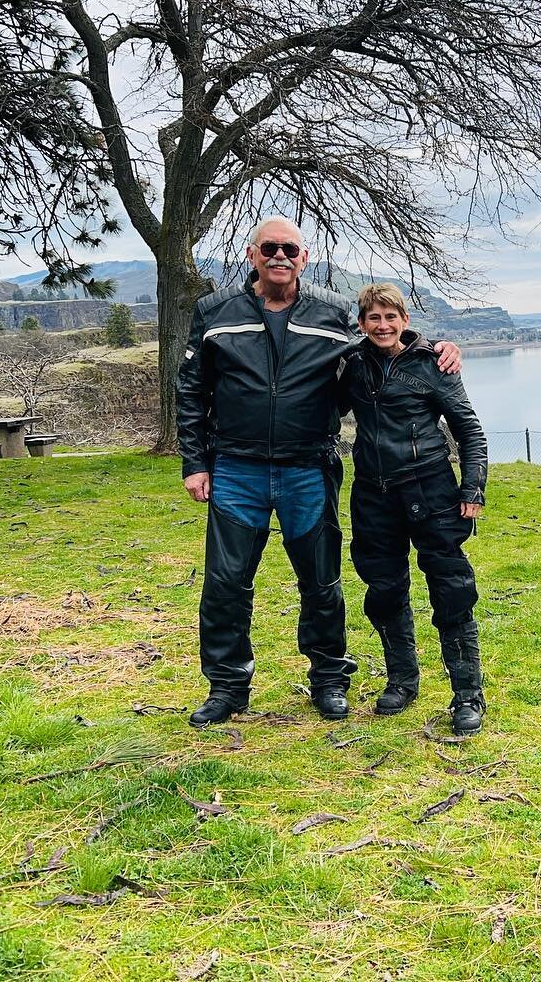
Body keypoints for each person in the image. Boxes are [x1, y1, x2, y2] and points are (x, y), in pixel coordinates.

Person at [175, 219, 461, 727]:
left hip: (307, 465)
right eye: (270, 248)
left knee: (320, 579)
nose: (279, 256)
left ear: (303, 259)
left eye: (290, 249)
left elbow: (383, 338)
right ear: (252, 255)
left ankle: (329, 679)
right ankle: (227, 686)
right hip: (236, 466)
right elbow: (192, 390)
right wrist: (195, 462)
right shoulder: (215, 313)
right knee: (225, 581)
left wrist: (435, 347)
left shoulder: (329, 313)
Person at [341, 283, 489, 735]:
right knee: (384, 589)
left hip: (432, 491)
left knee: (451, 588)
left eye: (391, 317)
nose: (382, 326)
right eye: (373, 318)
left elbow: (469, 431)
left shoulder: (434, 364)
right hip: (373, 494)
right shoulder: (350, 365)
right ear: (362, 323)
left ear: (404, 320)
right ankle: (402, 681)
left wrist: (473, 490)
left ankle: (467, 694)